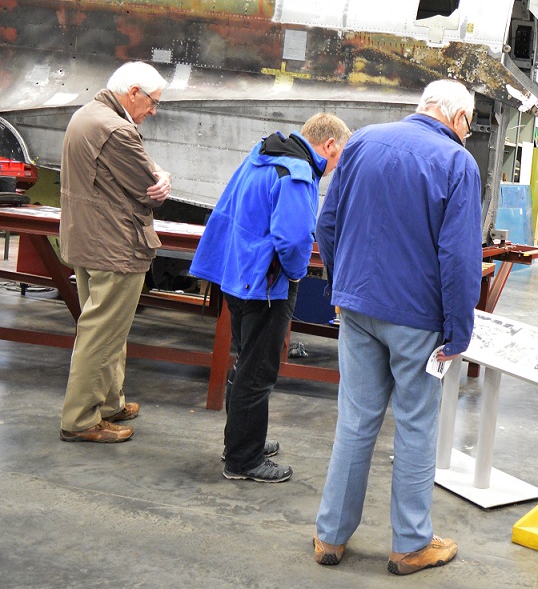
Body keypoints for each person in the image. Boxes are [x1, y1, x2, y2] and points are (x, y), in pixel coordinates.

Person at [312, 79, 481, 575]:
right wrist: (458, 329)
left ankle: (330, 537)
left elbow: (329, 222)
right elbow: (458, 257)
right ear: (457, 118)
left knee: (355, 421)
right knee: (414, 426)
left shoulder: (362, 140)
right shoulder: (457, 163)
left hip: (358, 308)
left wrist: (341, 287)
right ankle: (410, 543)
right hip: (418, 320)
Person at [191, 113, 352, 483]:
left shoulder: (263, 153)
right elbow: (294, 240)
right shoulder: (296, 173)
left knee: (245, 360)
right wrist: (295, 275)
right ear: (329, 145)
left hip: (238, 275)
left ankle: (242, 440)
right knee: (258, 371)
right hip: (266, 285)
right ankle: (243, 460)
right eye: (340, 155)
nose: (335, 167)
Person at [59, 61, 172, 443]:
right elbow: (147, 188)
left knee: (106, 328)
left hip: (88, 240)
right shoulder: (119, 131)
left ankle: (108, 403)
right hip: (116, 245)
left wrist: (155, 172)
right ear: (134, 92)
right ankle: (80, 419)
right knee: (102, 333)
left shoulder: (87, 115)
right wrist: (161, 177)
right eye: (153, 102)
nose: (154, 111)